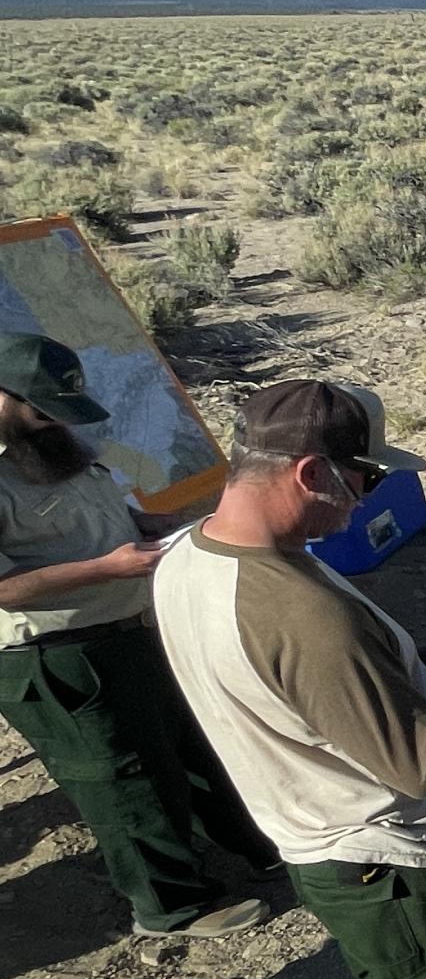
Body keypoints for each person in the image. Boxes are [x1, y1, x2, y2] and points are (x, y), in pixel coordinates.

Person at [154, 382, 426, 979]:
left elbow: (281, 681)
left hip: (335, 853)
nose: (367, 499)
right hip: (406, 872)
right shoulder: (301, 611)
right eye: (367, 480)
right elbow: (423, 765)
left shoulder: (189, 553)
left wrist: (412, 661)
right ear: (313, 472)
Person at [0, 332, 272, 940]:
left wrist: (153, 527)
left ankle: (253, 844)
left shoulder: (51, 439)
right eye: (44, 410)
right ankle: (171, 907)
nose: (55, 423)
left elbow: (99, 513)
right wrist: (106, 568)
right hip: (55, 654)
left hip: (132, 623)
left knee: (192, 742)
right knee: (123, 780)